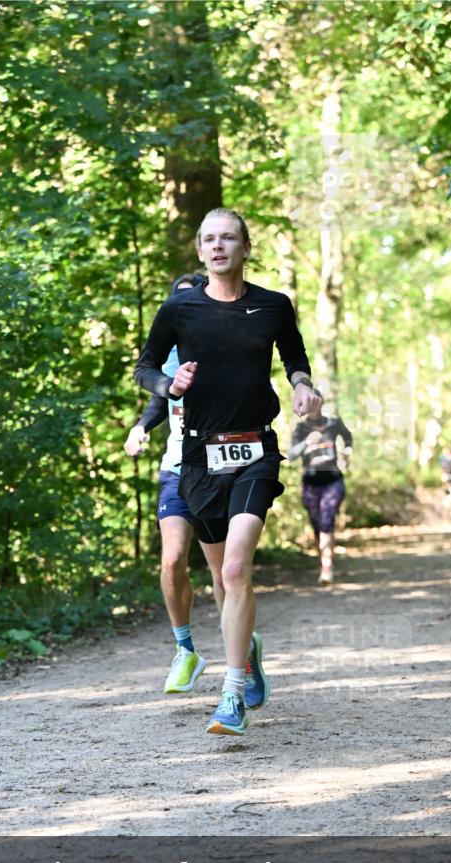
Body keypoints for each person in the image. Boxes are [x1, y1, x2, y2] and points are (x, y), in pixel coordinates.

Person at [134, 207, 321, 736]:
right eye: (209, 240)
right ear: (200, 251)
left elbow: (294, 357)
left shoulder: (272, 306)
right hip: (197, 458)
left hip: (255, 451)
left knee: (236, 570)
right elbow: (145, 366)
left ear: (245, 246)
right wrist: (166, 387)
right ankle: (249, 651)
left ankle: (232, 694)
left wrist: (303, 385)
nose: (218, 247)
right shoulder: (179, 309)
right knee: (220, 577)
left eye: (228, 238)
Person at [125, 273, 227, 695]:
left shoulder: (227, 351)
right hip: (175, 470)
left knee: (226, 574)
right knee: (171, 561)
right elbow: (160, 400)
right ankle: (186, 650)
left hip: (219, 472)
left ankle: (242, 654)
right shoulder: (169, 361)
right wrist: (141, 427)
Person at [288, 403, 353, 585]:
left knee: (326, 520)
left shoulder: (333, 423)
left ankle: (327, 569)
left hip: (333, 481)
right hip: (310, 484)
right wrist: (306, 442)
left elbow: (348, 438)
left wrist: (346, 454)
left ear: (320, 404)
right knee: (317, 525)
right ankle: (323, 563)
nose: (313, 408)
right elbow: (291, 455)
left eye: (315, 403)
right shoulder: (301, 428)